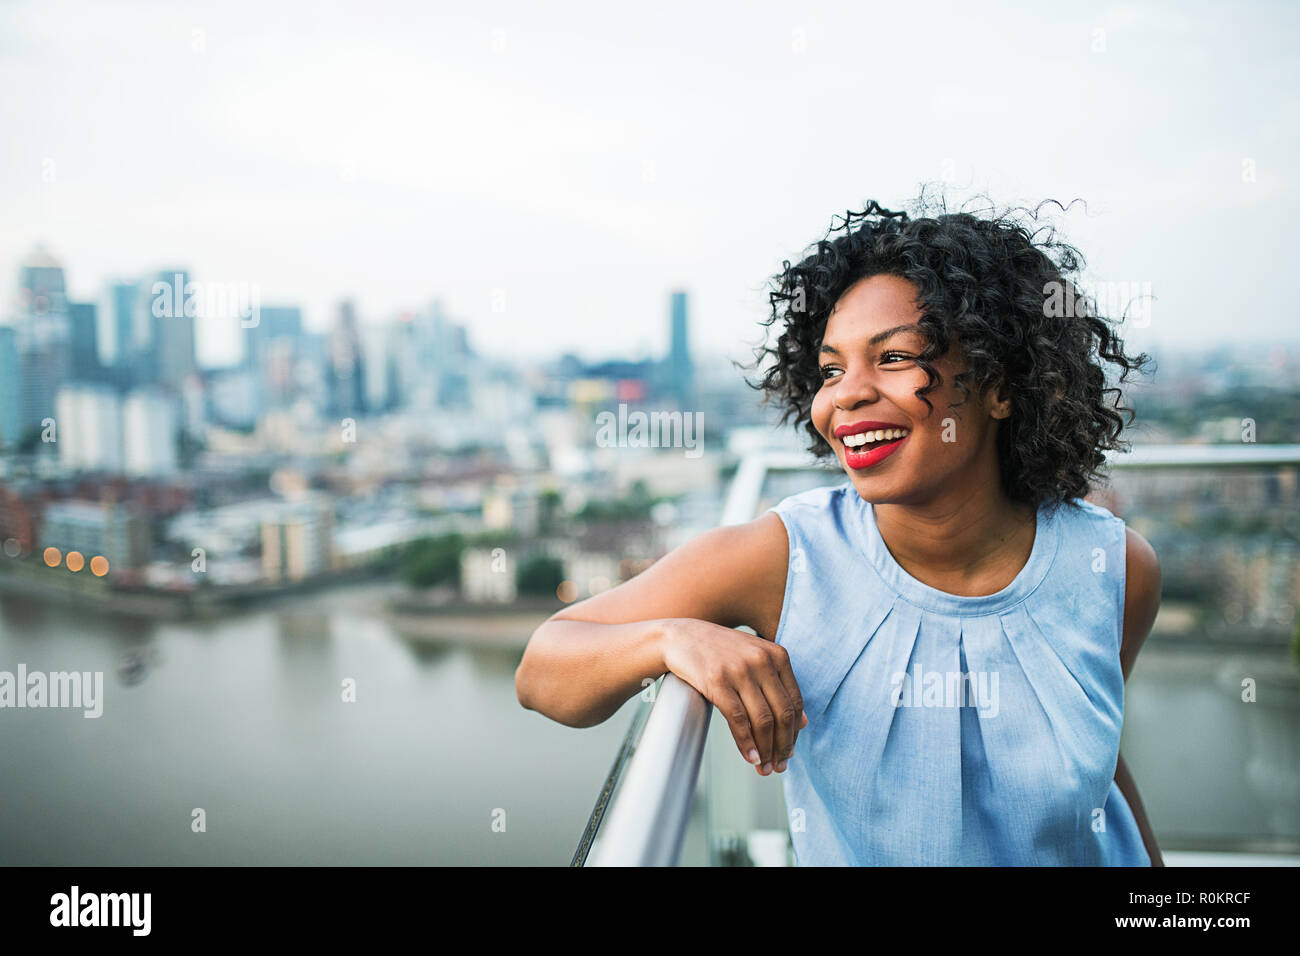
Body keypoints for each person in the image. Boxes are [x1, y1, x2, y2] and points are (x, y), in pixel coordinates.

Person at [515, 195, 1163, 866]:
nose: (844, 395)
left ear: (1000, 385)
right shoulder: (787, 559)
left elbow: (1103, 769)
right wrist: (671, 638)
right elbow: (543, 670)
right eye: (830, 369)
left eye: (892, 359)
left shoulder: (1115, 569)